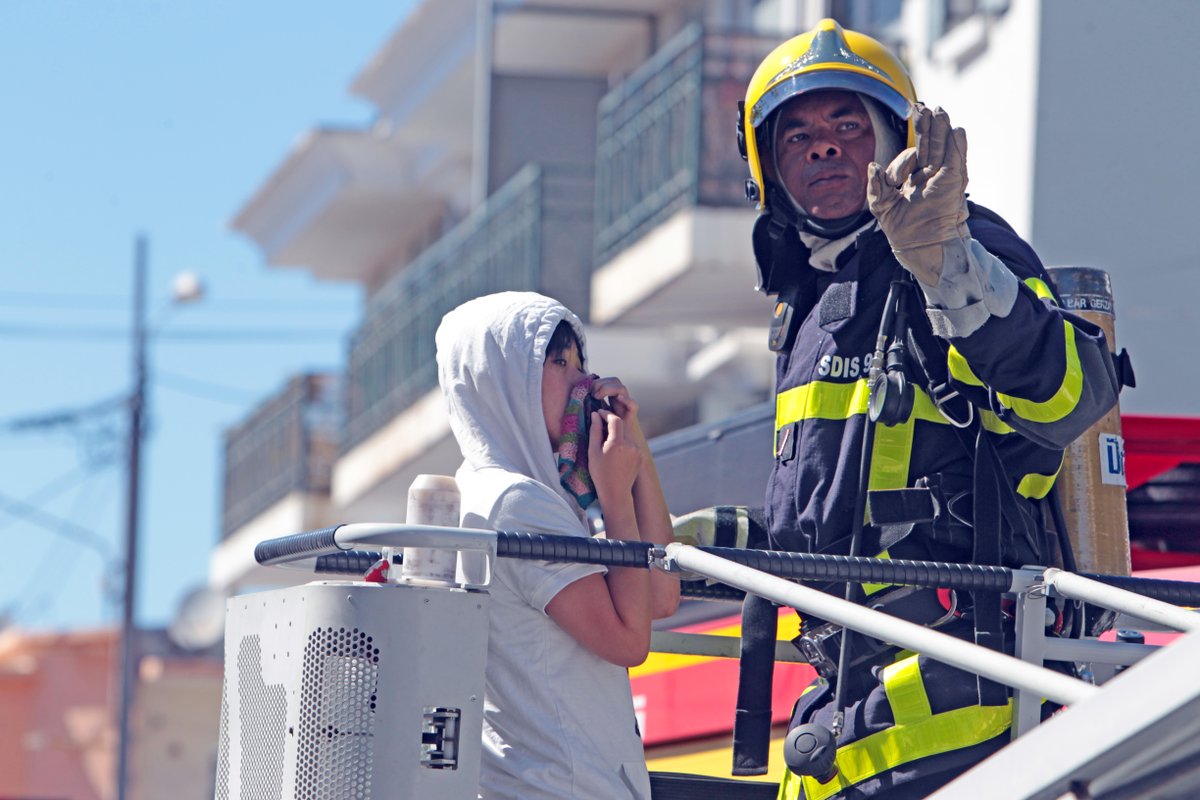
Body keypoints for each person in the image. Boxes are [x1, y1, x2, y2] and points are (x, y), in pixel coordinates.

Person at [736, 18, 1121, 799]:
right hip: (844, 716)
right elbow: (822, 511)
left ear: (897, 140)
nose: (823, 146)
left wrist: (950, 268)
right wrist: (689, 542)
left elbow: (1070, 396)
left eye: (848, 124)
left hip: (958, 714)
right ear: (768, 168)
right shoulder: (807, 308)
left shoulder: (954, 244)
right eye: (797, 135)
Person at [435, 291, 681, 800]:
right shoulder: (516, 501)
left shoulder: (504, 491)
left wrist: (633, 442)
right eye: (559, 363)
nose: (584, 383)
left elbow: (661, 594)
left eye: (580, 363)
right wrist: (615, 497)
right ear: (504, 380)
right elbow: (629, 642)